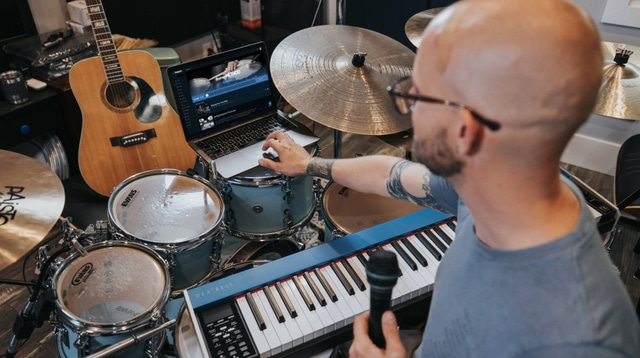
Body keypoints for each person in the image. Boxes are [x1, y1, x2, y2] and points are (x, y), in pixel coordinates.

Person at [259, 0, 640, 356]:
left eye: (418, 94)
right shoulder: (500, 185)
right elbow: (391, 174)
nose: (408, 107)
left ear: (465, 131)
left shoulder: (582, 339)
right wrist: (309, 164)